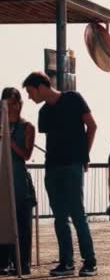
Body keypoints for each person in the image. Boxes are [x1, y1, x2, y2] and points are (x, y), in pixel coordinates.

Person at [22, 72, 98, 276]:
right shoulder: (43, 112)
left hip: (72, 165)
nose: (29, 97)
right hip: (52, 168)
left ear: (40, 86)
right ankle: (67, 263)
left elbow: (92, 125)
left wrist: (84, 156)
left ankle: (90, 262)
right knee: (60, 217)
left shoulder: (73, 98)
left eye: (30, 91)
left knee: (77, 214)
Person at [0, 88, 34, 276]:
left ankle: (22, 262)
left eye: (14, 103)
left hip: (19, 179)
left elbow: (26, 155)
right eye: (7, 104)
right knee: (2, 220)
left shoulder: (27, 126)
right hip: (3, 178)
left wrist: (11, 142)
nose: (12, 107)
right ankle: (3, 261)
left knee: (22, 222)